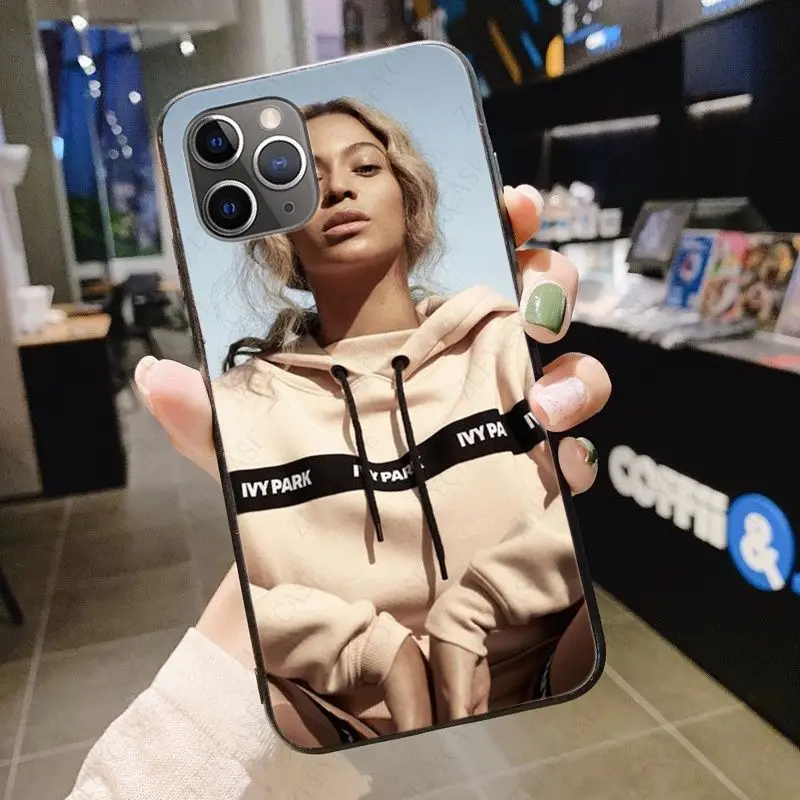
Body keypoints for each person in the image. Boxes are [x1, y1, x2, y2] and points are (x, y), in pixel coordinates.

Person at [65, 125, 611, 797]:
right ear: (279, 229)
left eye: (366, 166)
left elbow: (569, 510)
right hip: (338, 721)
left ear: (409, 197)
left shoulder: (501, 338)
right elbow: (253, 603)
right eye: (304, 180)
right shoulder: (244, 401)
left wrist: (477, 605)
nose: (338, 189)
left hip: (547, 667)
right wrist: (372, 650)